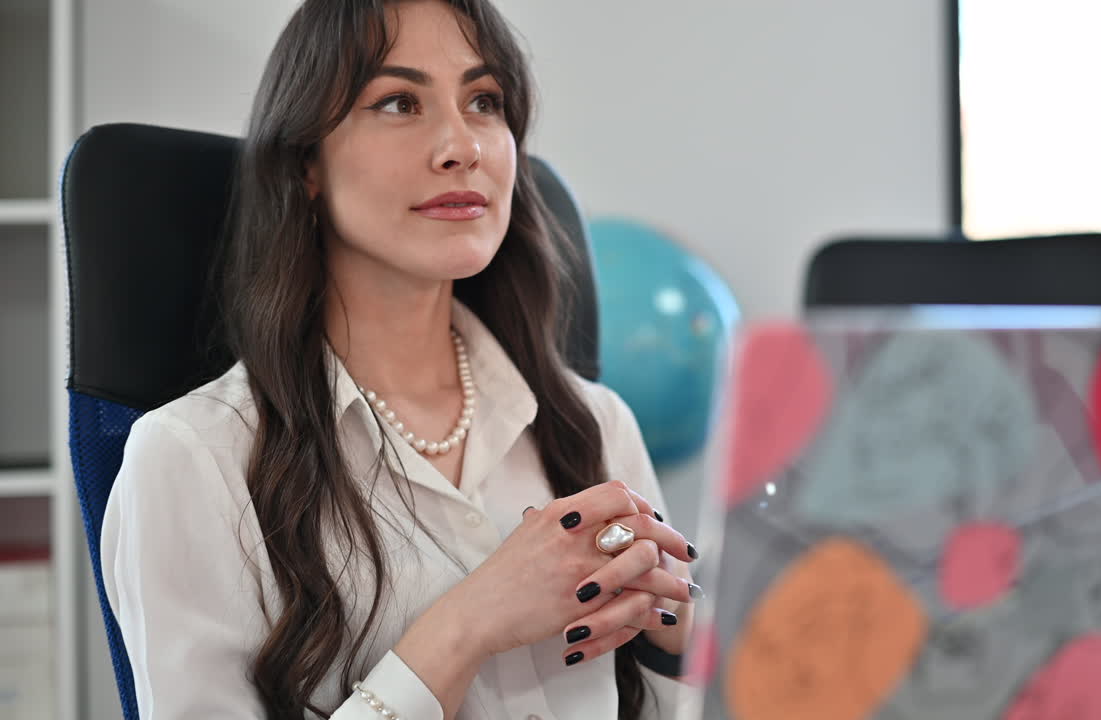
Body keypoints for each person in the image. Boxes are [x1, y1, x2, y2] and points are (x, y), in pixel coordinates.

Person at [100, 1, 702, 718]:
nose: (461, 145)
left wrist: (681, 640)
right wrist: (464, 627)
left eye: (484, 101)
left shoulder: (594, 423)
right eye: (398, 102)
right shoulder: (193, 459)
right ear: (306, 165)